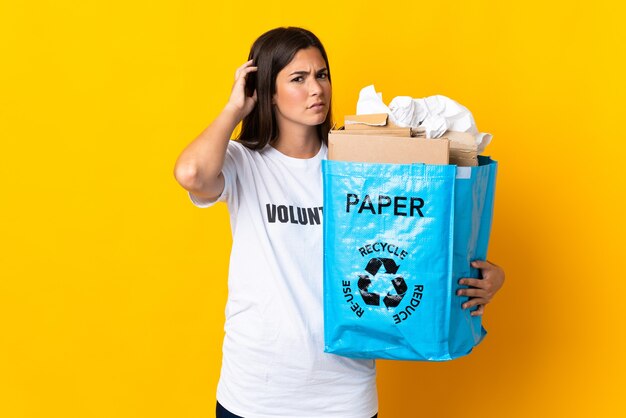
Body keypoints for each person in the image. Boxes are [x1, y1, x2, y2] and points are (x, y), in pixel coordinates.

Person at [174, 27, 505, 418]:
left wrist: (487, 277)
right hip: (256, 389)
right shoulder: (245, 162)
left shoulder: (360, 164)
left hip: (343, 393)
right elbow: (192, 174)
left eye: (322, 74)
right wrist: (233, 109)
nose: (317, 88)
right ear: (266, 90)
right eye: (298, 79)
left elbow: (413, 245)